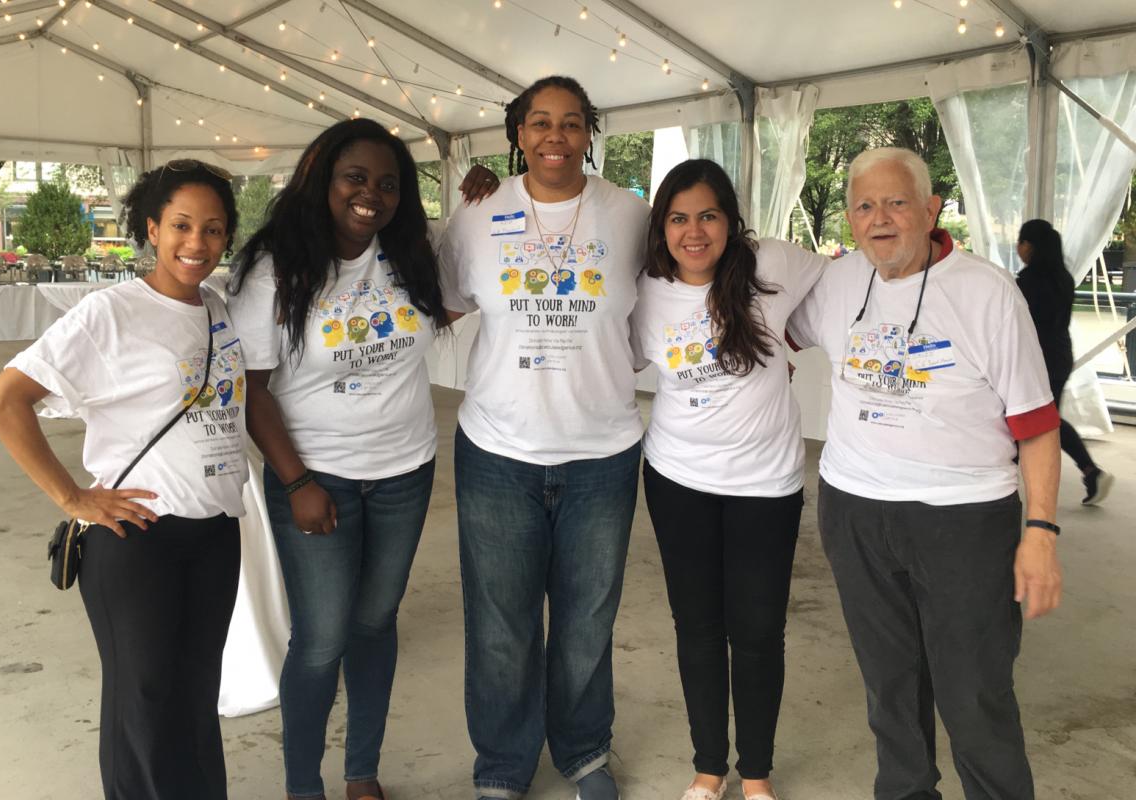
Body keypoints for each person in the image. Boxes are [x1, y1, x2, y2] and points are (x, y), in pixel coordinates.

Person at [787, 147, 1063, 800]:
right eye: (863, 206)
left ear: (931, 208)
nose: (878, 218)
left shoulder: (986, 291)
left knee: (975, 692)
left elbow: (1037, 423)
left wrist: (1042, 532)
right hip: (854, 511)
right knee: (890, 687)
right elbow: (766, 326)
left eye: (895, 202)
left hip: (963, 519)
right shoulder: (838, 283)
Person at [0, 161, 246, 799]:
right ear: (152, 229)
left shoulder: (219, 308)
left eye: (213, 229)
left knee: (195, 693)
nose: (196, 243)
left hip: (216, 533)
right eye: (181, 225)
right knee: (144, 701)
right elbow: (2, 402)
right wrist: (72, 497)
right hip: (137, 537)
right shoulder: (110, 312)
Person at [438, 75, 648, 800]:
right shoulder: (476, 216)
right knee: (501, 621)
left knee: (588, 618)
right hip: (499, 452)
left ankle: (585, 752)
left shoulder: (631, 215)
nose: (554, 136)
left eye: (570, 122)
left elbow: (664, 307)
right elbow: (439, 303)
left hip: (603, 453)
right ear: (517, 133)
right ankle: (501, 764)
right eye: (539, 122)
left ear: (590, 131)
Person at [226, 118, 449, 800]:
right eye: (355, 178)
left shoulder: (412, 252)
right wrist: (295, 482)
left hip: (406, 470)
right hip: (315, 476)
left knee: (375, 623)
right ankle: (302, 786)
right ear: (322, 179)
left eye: (387, 183)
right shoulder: (275, 268)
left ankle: (362, 774)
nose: (371, 195)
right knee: (321, 639)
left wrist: (481, 194)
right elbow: (252, 389)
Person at [631, 159, 829, 800]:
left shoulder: (773, 265)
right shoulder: (645, 290)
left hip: (766, 487)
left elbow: (852, 285)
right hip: (677, 479)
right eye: (679, 218)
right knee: (696, 627)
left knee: (758, 631)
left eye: (708, 215)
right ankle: (708, 767)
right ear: (661, 226)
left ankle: (757, 774)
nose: (694, 232)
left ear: (731, 221)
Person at [1016, 218, 1113, 505]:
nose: (1018, 248)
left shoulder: (1026, 283)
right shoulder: (1064, 278)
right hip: (1059, 355)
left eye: (1020, 243)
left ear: (1030, 246)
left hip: (1035, 360)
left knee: (1033, 422)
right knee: (1048, 421)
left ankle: (1085, 471)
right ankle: (1090, 470)